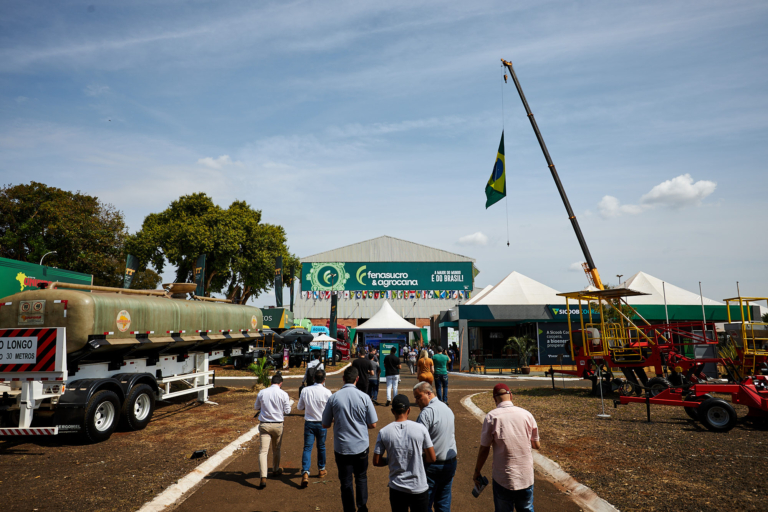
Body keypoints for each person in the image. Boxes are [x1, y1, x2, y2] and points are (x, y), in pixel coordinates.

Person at [473, 383, 540, 512]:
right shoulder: (527, 415)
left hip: (503, 478)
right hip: (525, 477)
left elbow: (484, 449)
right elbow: (536, 445)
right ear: (511, 396)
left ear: (495, 399)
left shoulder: (492, 417)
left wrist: (477, 472)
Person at [322, 366, 378, 512]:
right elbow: (373, 424)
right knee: (361, 477)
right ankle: (362, 506)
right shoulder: (365, 397)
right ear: (357, 379)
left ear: (343, 379)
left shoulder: (334, 397)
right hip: (361, 446)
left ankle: (349, 509)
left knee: (345, 481)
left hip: (342, 447)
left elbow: (325, 424)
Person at [372, 394, 436, 512]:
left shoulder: (384, 432)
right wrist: (418, 457)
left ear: (393, 411)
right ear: (409, 410)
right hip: (418, 487)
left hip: (397, 487)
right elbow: (432, 458)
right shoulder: (421, 429)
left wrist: (389, 459)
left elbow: (376, 461)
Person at [413, 382, 457, 512]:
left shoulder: (426, 413)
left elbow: (416, 442)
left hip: (432, 465)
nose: (416, 401)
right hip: (450, 463)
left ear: (428, 393)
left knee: (423, 503)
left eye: (418, 397)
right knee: (443, 503)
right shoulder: (446, 408)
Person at [253, 373, 292, 488]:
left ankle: (263, 476)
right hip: (278, 425)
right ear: (281, 383)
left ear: (271, 382)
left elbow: (256, 407)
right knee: (276, 448)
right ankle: (275, 469)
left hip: (265, 425)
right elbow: (288, 411)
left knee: (263, 451)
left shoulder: (262, 392)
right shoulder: (284, 394)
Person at [297, 369, 332, 487]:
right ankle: (321, 469)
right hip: (322, 423)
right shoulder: (327, 392)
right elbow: (330, 410)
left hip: (309, 422)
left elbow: (300, 407)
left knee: (307, 447)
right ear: (324, 380)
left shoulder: (305, 390)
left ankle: (305, 472)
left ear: (313, 379)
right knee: (321, 446)